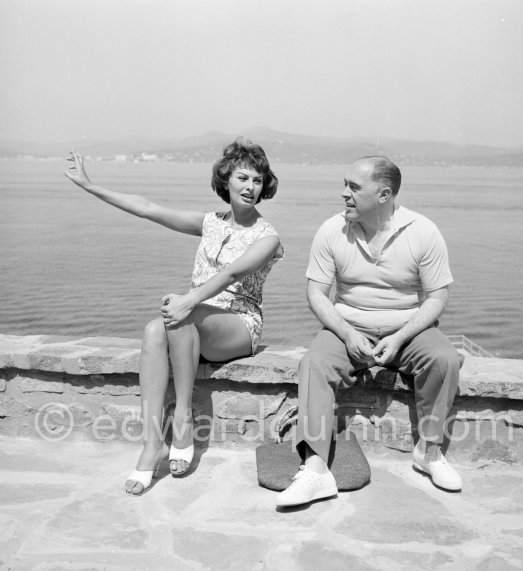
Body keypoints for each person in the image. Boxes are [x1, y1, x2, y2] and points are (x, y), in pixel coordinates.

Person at [65, 138, 283, 495]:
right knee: (155, 330)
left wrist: (188, 300)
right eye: (243, 178)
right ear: (226, 179)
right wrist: (91, 187)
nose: (250, 187)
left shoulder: (267, 236)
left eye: (258, 181)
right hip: (194, 318)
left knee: (178, 316)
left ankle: (181, 417)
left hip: (239, 324)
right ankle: (152, 446)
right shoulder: (210, 222)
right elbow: (148, 207)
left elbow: (230, 276)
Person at [276, 155, 463, 508]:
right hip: (348, 326)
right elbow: (316, 293)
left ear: (384, 194)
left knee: (444, 359)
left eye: (353, 187)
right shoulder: (332, 230)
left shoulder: (423, 231)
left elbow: (437, 297)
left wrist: (400, 336)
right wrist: (347, 334)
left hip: (406, 328)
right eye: (345, 184)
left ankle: (430, 452)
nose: (344, 193)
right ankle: (315, 470)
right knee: (314, 364)